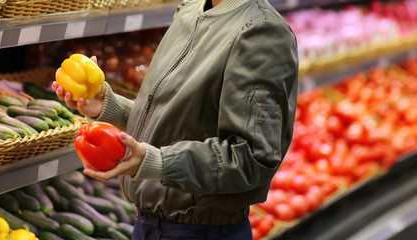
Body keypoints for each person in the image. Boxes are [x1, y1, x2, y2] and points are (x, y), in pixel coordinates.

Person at [53, 0, 298, 238]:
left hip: (200, 231)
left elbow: (252, 158)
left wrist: (158, 162)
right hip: (148, 225)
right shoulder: (190, 10)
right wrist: (109, 106)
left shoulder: (261, 32)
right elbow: (175, 121)